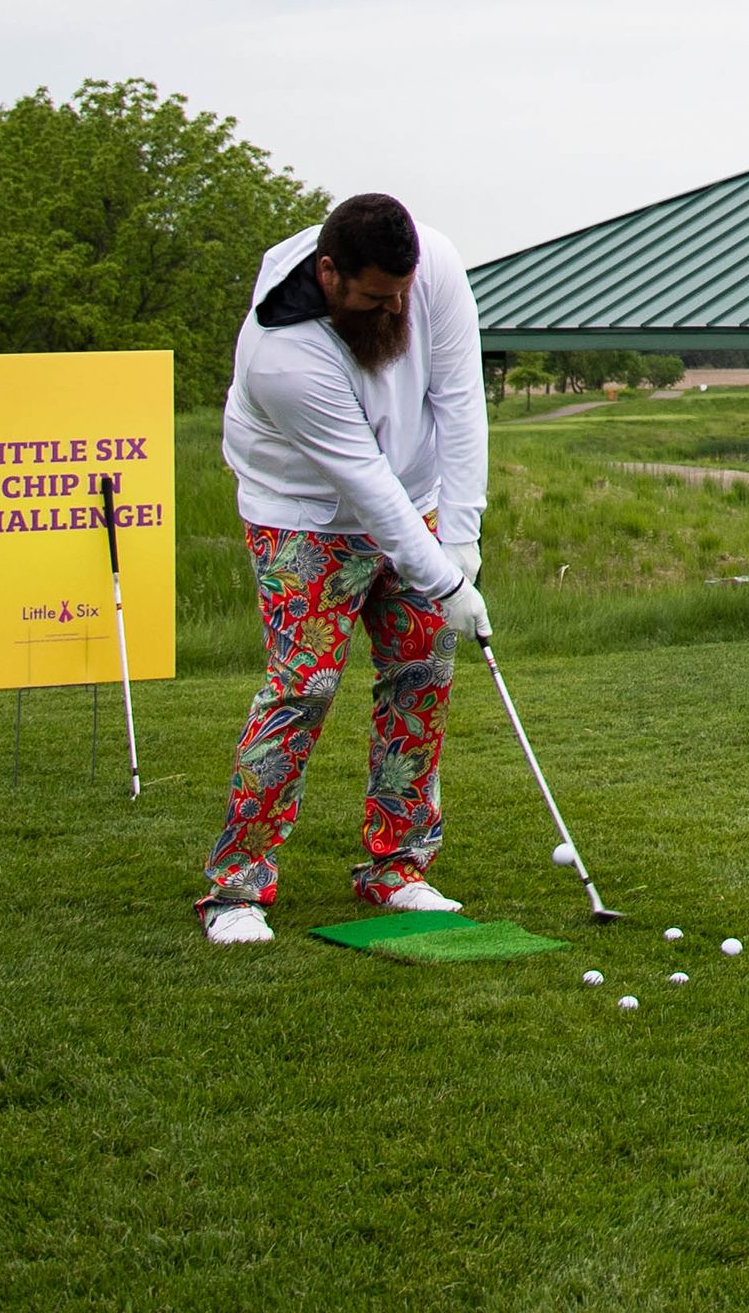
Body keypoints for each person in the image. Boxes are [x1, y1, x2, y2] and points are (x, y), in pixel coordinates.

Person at [198, 193, 493, 945]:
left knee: (422, 676)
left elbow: (459, 401)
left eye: (401, 293)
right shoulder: (282, 355)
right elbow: (363, 483)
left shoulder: (436, 267)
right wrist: (445, 581)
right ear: (329, 274)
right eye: (373, 297)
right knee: (303, 688)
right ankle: (237, 889)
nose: (394, 309)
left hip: (415, 499)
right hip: (303, 513)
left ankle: (397, 869)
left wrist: (461, 539)